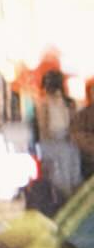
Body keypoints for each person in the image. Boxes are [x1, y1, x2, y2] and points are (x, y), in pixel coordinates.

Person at [33, 67, 81, 209]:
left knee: (57, 180)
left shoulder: (46, 103)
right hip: (63, 145)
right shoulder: (66, 103)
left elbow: (43, 126)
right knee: (67, 180)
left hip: (54, 146)